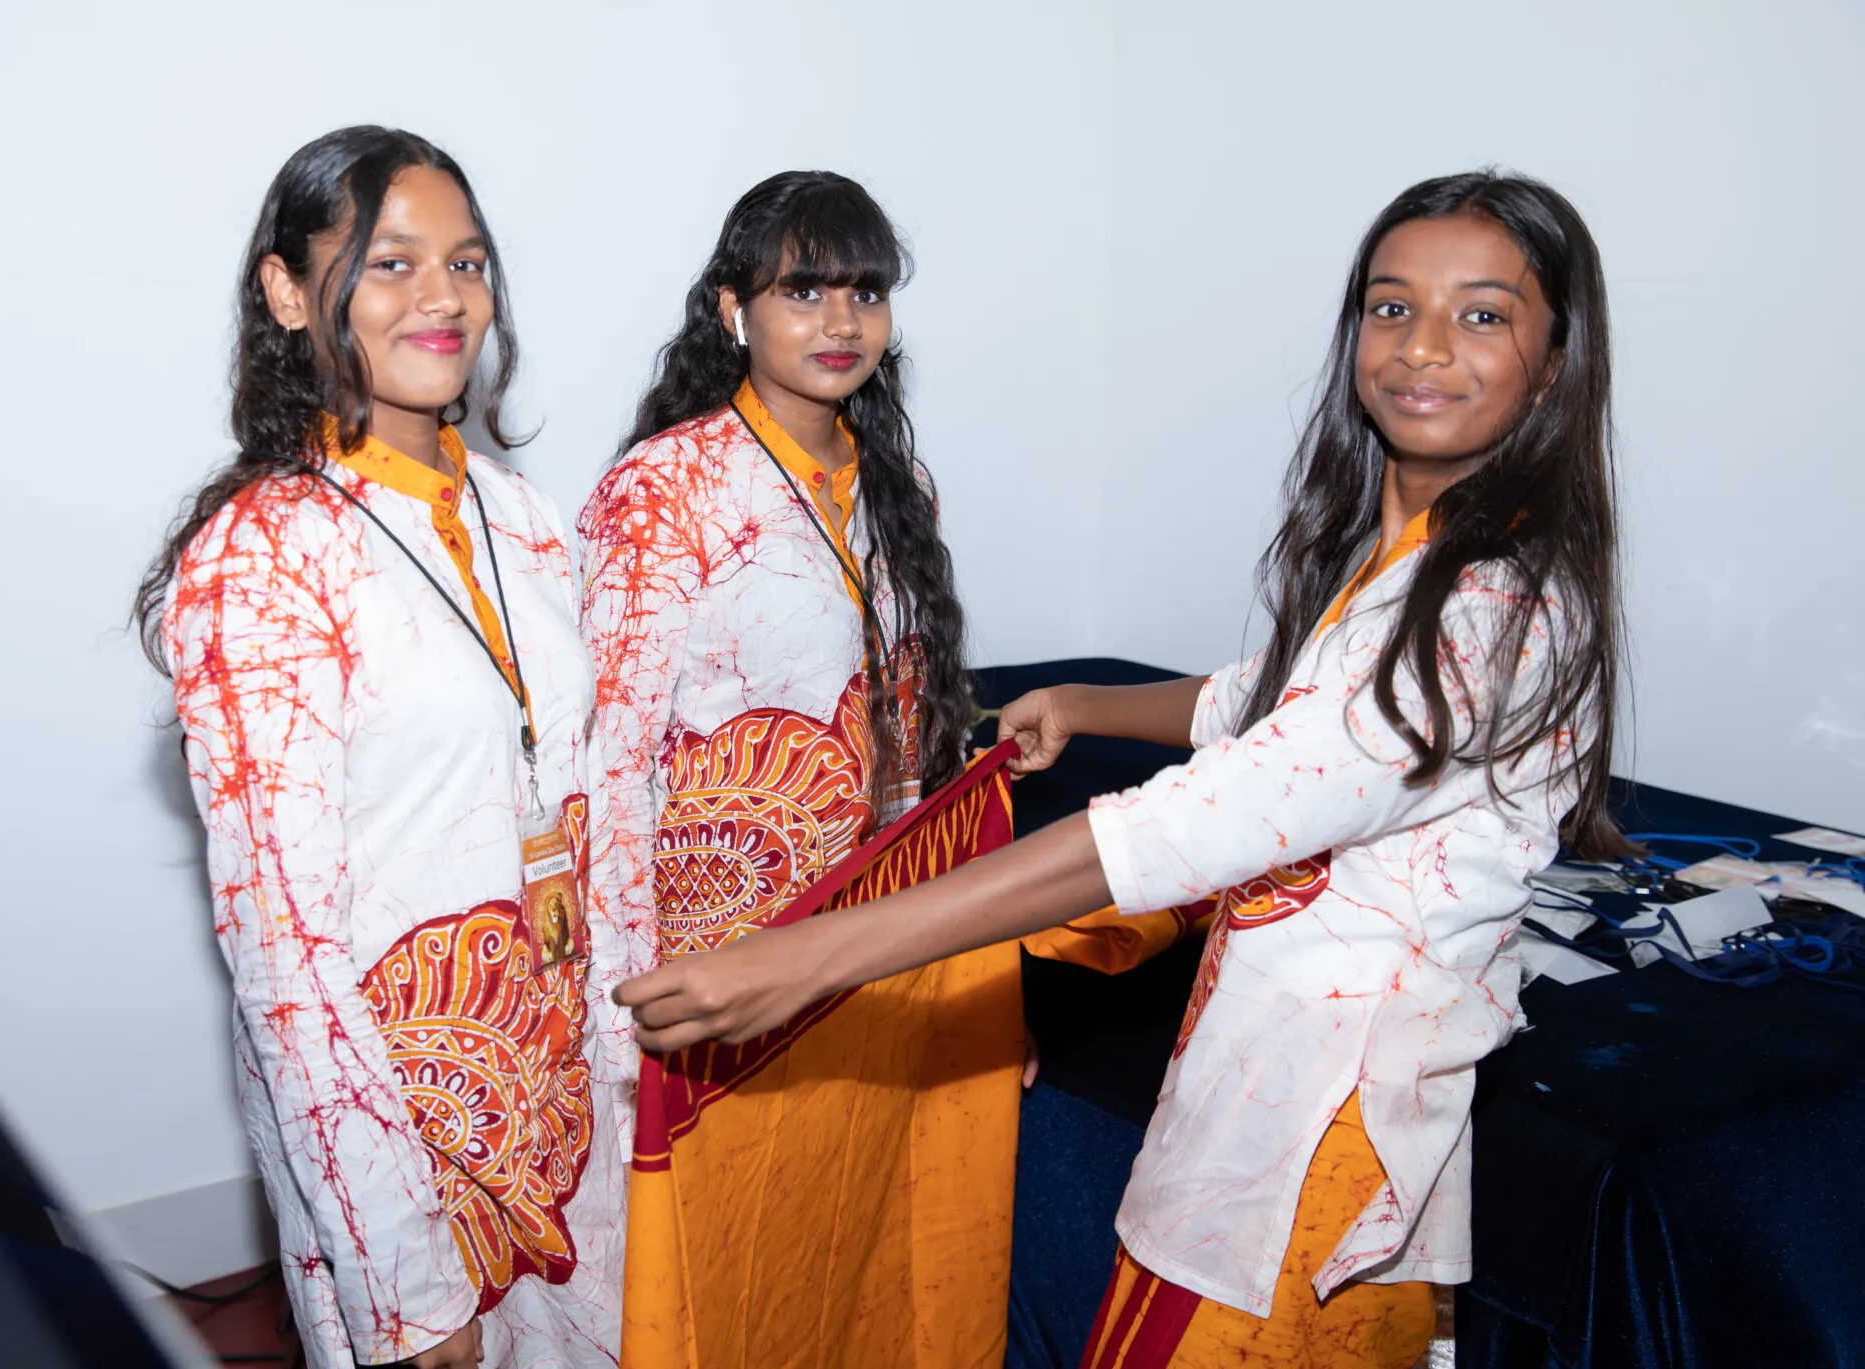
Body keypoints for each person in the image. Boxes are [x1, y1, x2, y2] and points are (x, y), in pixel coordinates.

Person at [614, 170, 1629, 1368]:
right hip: (1235, 1070)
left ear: (1552, 360)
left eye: (1481, 315)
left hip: (1314, 1116)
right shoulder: (1419, 555)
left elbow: (1202, 819)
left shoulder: (1483, 608)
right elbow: (1280, 705)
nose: (1422, 348)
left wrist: (814, 959)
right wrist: (1091, 704)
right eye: (1391, 307)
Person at [134, 127, 621, 1369]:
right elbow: (285, 959)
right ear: (290, 291)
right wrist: (402, 1283)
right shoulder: (260, 557)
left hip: (561, 1099)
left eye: (467, 262)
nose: (442, 296)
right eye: (392, 263)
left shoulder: (520, 513)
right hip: (398, 1141)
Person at [577, 171, 1019, 1361]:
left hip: (867, 949)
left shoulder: (897, 486)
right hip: (716, 974)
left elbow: (911, 753)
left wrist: (957, 957)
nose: (840, 322)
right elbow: (609, 772)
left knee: (845, 1260)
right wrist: (627, 1018)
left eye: (865, 292)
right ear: (733, 309)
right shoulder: (662, 489)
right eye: (803, 290)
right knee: (727, 1282)